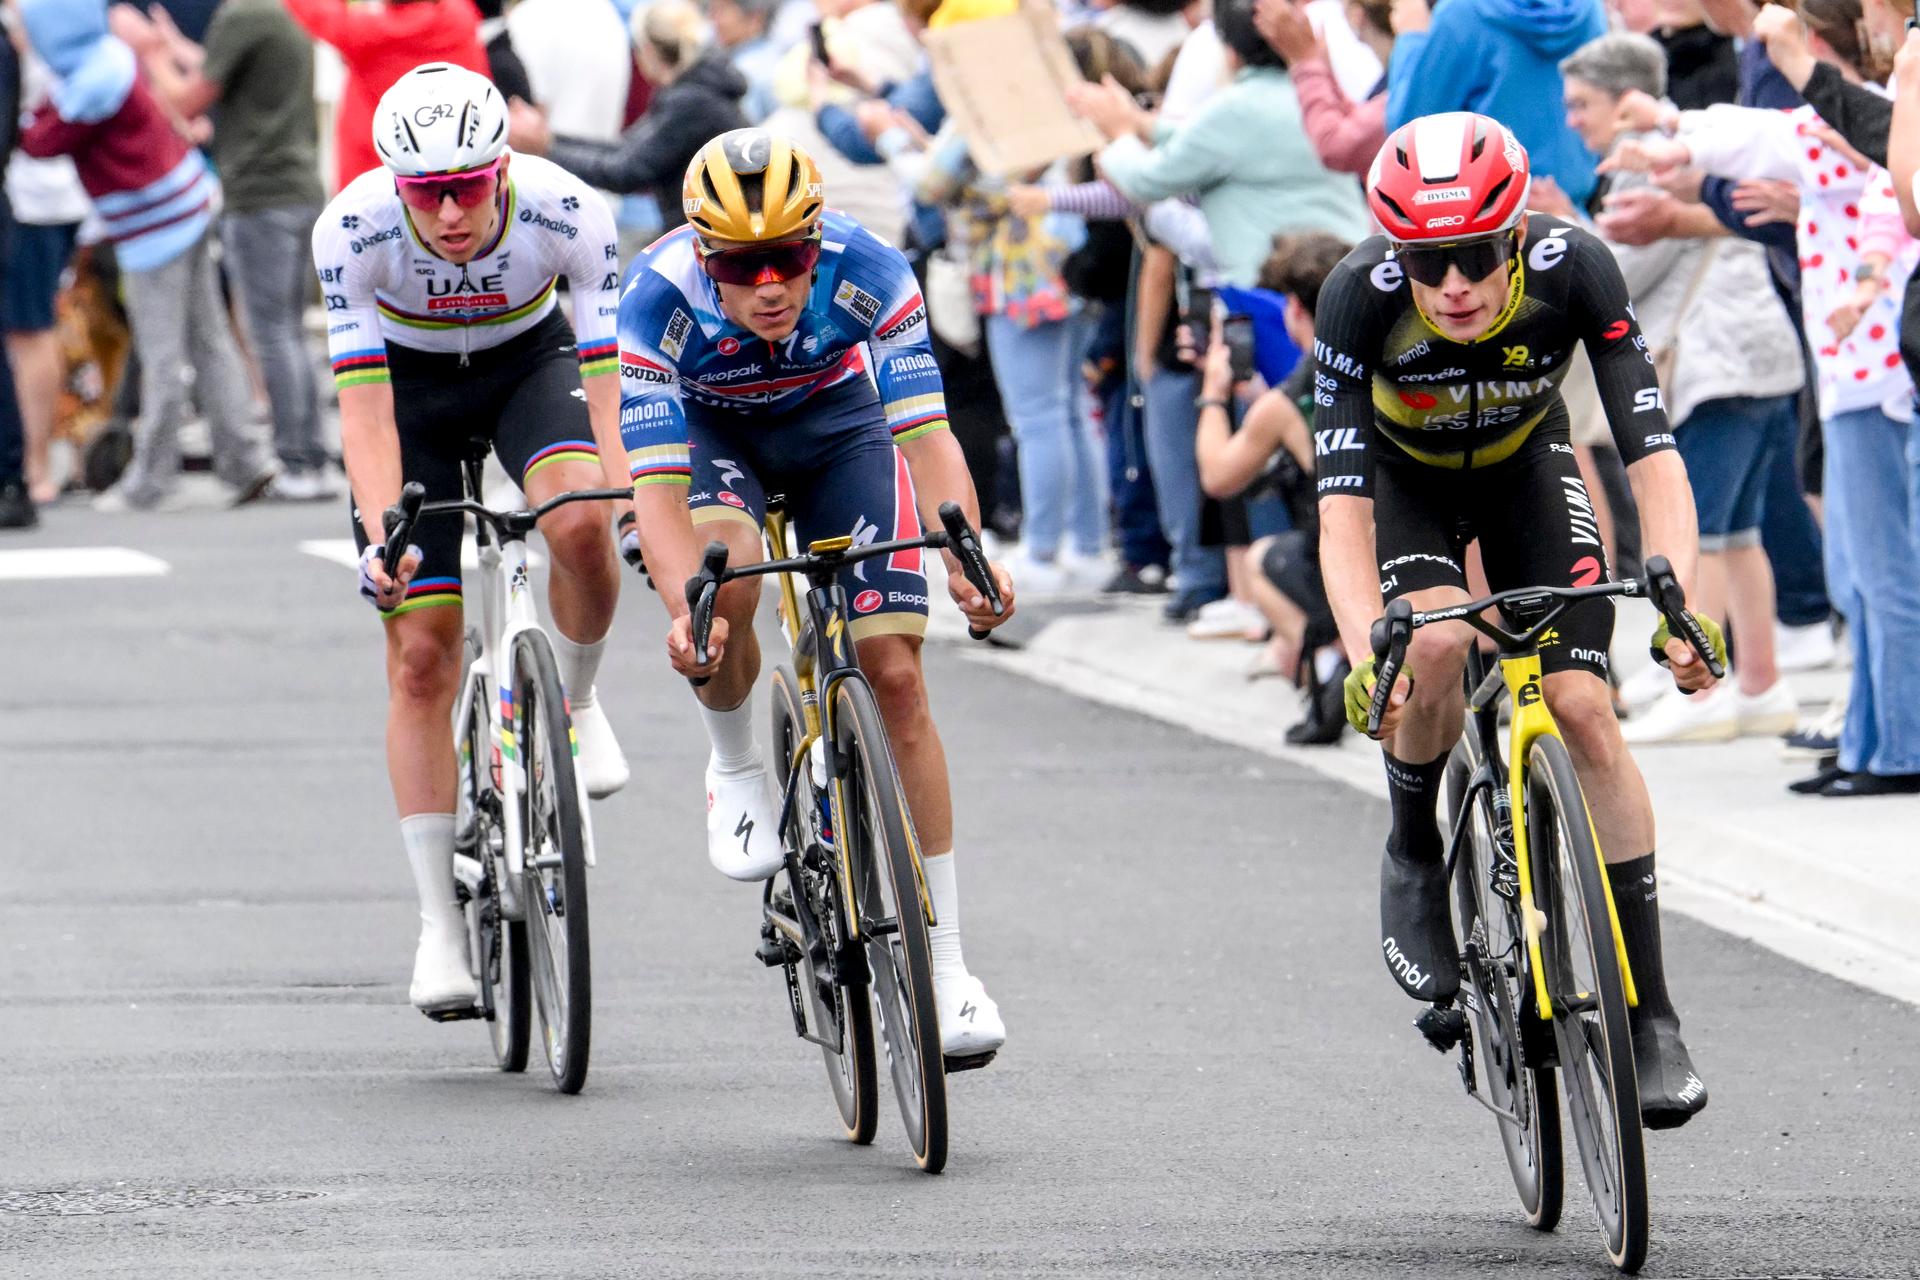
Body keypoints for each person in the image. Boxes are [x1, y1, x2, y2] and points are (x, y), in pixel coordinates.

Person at [1317, 112, 1721, 1126]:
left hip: (1526, 472)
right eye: (1426, 259)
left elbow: (1652, 453)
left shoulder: (1574, 267)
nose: (1452, 284)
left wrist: (1684, 601)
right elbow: (1341, 513)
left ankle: (1653, 1012)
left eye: (1474, 256)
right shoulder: (1356, 299)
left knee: (1585, 706)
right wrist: (1369, 642)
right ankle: (1415, 841)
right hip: (1406, 488)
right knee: (1438, 641)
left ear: (1514, 235)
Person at [618, 129, 1016, 1059]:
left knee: (898, 672)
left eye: (789, 260)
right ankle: (737, 767)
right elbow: (658, 494)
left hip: (839, 427)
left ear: (817, 243)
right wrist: (692, 616)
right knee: (728, 584)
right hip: (715, 437)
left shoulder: (872, 269)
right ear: (703, 254)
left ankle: (949, 968)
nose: (770, 286)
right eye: (743, 265)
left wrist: (970, 556)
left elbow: (926, 439)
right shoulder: (654, 300)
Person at [315, 63, 633, 1014]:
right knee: (420, 652)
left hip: (528, 366)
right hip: (410, 394)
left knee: (581, 519)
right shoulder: (353, 230)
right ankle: (438, 928)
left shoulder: (570, 211)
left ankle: (572, 706)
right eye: (428, 193)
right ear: (397, 187)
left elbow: (611, 388)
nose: (451, 214)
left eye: (468, 187)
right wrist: (385, 540)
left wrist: (630, 511)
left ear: (504, 167)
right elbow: (367, 420)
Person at [1554, 33, 1805, 744]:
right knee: (1739, 532)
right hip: (1757, 356)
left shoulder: (1656, 154)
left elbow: (1619, 279)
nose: (1572, 118)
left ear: (1624, 98)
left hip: (1714, 361)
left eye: (1581, 104)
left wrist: (1564, 233)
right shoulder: (1690, 139)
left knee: (1698, 535)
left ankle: (1700, 693)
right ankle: (1760, 684)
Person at [19, 0, 272, 511]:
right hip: (188, 201)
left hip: (153, 228)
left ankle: (150, 480)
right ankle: (245, 459)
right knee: (209, 341)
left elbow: (40, 140)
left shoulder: (86, 85)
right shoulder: (109, 57)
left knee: (161, 356)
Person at [116, 0, 337, 501]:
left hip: (260, 195)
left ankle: (298, 461)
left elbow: (185, 102)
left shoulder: (241, 16)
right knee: (287, 330)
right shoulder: (274, 14)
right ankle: (309, 458)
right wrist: (174, 47)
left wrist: (150, 54)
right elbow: (225, 69)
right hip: (296, 189)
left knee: (270, 334)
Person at [1194, 231, 1354, 742]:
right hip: (1414, 551)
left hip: (1340, 564)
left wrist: (1214, 395)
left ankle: (1329, 665)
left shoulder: (1290, 400)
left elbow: (1219, 475)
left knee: (1267, 559)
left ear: (1294, 310)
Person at [508, 1, 747, 231]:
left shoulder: (691, 100)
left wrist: (547, 148)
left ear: (648, 50)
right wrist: (549, 140)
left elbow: (626, 170)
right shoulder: (694, 89)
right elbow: (626, 149)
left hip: (702, 232)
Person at [1385, 0, 1606, 206]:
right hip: (1570, 209)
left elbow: (1410, 132)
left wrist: (1411, 35)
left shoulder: (1461, 14)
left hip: (1488, 217)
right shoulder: (1590, 9)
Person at [1, 35, 88, 520]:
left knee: (31, 330)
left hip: (39, 196)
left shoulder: (34, 23)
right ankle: (39, 462)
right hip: (52, 191)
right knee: (36, 328)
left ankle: (36, 467)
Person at [283, 0, 488, 193]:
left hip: (377, 180)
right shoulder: (460, 18)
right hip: (461, 172)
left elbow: (316, 12)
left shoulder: (366, 33)